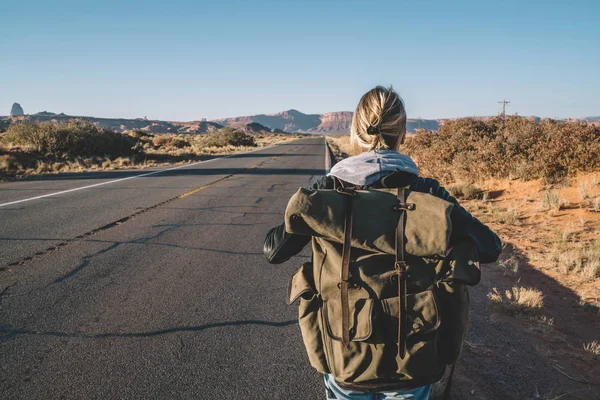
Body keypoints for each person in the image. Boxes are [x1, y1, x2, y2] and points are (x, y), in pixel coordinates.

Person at [263, 86, 502, 399]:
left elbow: (274, 250)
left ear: (355, 132)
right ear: (402, 133)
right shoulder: (429, 194)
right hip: (415, 356)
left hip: (345, 352)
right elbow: (489, 246)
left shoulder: (326, 193)